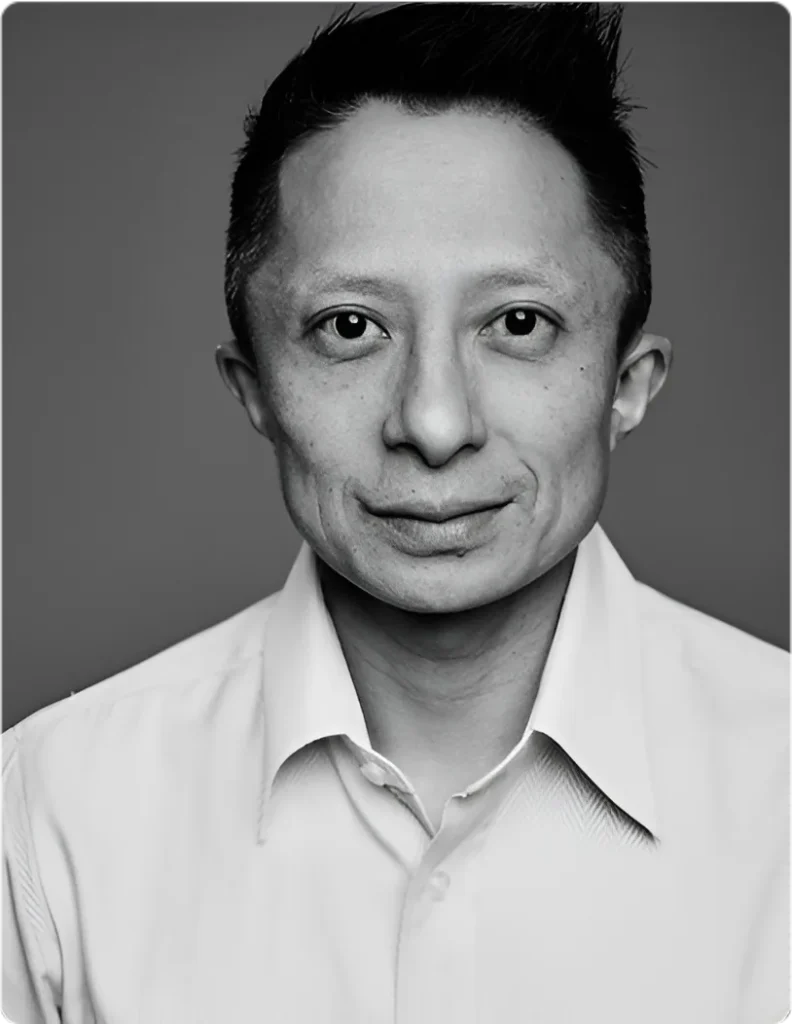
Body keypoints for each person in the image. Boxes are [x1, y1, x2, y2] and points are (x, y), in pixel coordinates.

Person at [1, 2, 790, 1021]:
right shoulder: (47, 811)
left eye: (518, 322)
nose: (433, 420)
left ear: (628, 383)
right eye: (348, 325)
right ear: (254, 389)